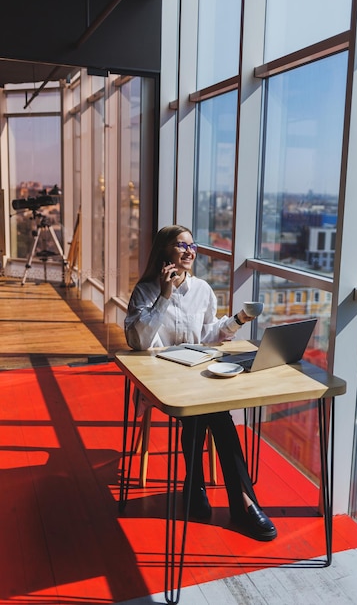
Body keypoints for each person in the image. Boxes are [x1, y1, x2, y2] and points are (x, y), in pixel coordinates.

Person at [124, 224, 277, 541]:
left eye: (193, 246)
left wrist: (238, 321)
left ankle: (197, 487)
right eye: (182, 245)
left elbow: (207, 336)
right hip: (160, 379)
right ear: (165, 250)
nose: (190, 251)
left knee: (208, 409)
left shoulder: (203, 290)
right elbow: (139, 342)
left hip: (196, 376)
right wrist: (164, 297)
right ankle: (241, 502)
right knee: (213, 413)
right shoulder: (146, 291)